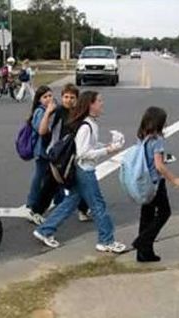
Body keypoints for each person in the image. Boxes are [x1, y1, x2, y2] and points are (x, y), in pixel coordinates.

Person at [33, 91, 126, 254]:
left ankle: (44, 230)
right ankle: (106, 241)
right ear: (90, 105)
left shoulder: (88, 123)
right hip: (85, 170)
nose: (102, 104)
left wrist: (109, 146)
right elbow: (83, 153)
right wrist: (108, 150)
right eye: (99, 101)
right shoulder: (86, 125)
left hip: (80, 170)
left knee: (72, 201)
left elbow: (89, 146)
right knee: (98, 205)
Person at [132, 107, 179, 262]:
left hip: (144, 182)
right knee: (164, 212)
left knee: (147, 216)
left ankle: (144, 253)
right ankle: (142, 241)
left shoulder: (142, 137)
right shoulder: (157, 140)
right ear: (159, 122)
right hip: (155, 183)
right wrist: (175, 180)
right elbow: (159, 166)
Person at [31, 83, 92, 222]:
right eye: (66, 97)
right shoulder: (57, 112)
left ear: (77, 99)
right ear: (62, 97)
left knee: (81, 183)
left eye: (72, 97)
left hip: (71, 155)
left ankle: (83, 210)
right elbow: (42, 131)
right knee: (49, 186)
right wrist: (48, 113)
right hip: (57, 155)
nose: (68, 100)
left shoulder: (78, 113)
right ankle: (36, 211)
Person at [24, 85, 56, 225]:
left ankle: (59, 199)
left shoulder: (51, 109)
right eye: (45, 97)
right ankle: (31, 203)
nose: (48, 99)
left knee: (52, 177)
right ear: (39, 100)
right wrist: (48, 114)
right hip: (42, 150)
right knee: (40, 176)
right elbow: (40, 130)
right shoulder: (39, 111)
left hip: (50, 149)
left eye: (50, 95)